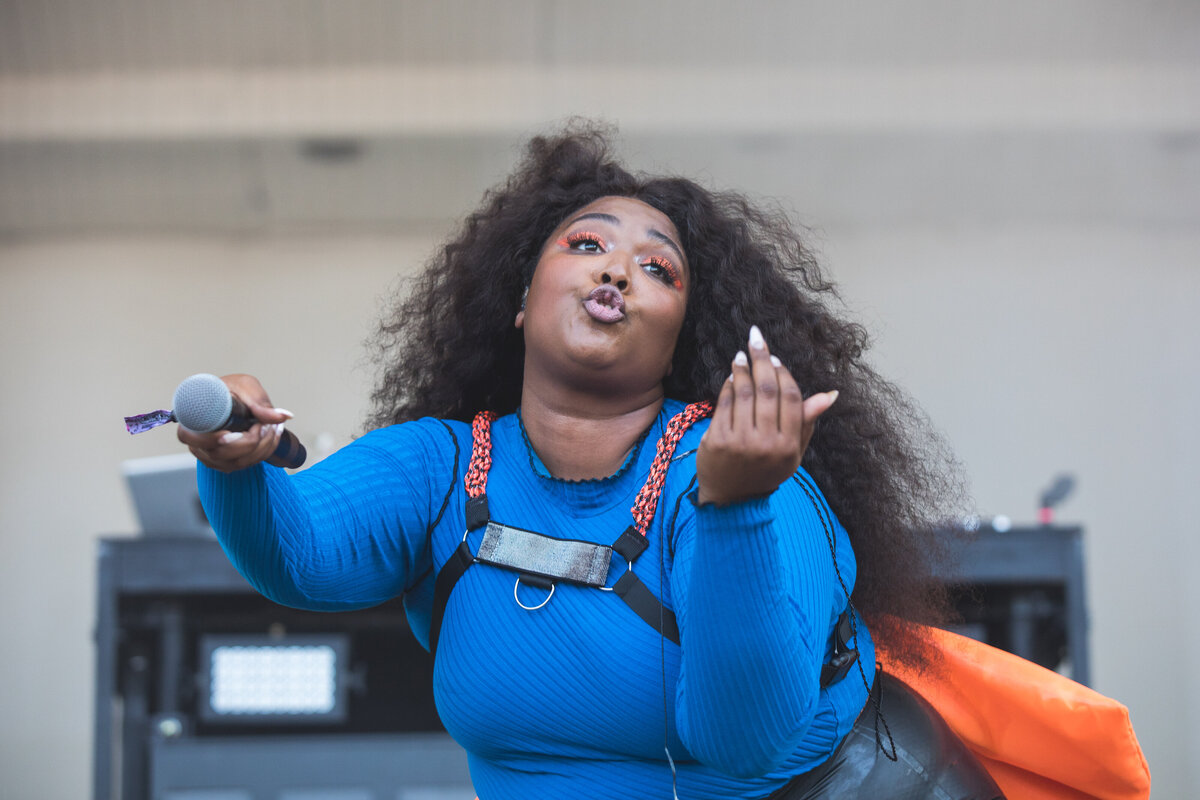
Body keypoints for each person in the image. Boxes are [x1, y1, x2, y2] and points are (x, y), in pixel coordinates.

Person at [179, 124, 1003, 799]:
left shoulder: (738, 476)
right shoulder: (441, 467)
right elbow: (301, 557)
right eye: (587, 244)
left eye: (659, 269)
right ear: (518, 298)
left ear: (682, 335)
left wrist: (735, 507)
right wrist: (234, 465)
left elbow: (744, 743)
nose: (619, 269)